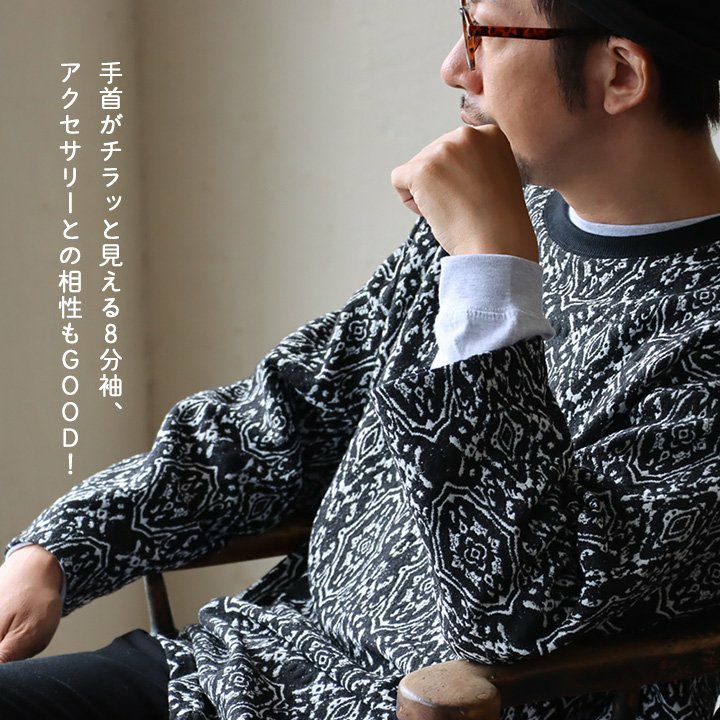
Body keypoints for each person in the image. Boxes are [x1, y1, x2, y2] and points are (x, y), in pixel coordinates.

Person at [2, 0, 720, 718]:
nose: (454, 67)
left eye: (486, 34)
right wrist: (63, 547)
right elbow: (294, 412)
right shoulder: (496, 221)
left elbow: (519, 609)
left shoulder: (686, 324)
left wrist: (489, 275)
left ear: (619, 74)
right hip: (245, 671)